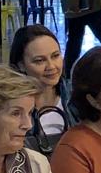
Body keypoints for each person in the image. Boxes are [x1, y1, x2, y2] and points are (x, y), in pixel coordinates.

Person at [8, 25, 75, 153]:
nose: (51, 66)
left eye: (55, 56)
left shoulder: (77, 97)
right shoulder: (8, 106)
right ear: (21, 65)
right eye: (39, 61)